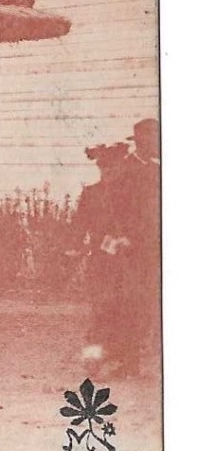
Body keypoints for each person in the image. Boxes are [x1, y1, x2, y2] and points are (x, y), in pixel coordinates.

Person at [83, 119, 160, 378]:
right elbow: (113, 210)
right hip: (120, 250)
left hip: (146, 250)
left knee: (140, 306)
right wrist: (119, 237)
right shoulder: (125, 171)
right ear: (140, 142)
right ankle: (112, 357)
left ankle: (130, 360)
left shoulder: (155, 170)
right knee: (116, 304)